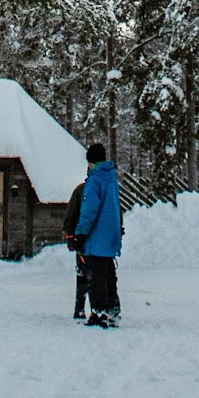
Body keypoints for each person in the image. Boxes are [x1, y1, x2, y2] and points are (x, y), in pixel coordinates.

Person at [73, 140, 122, 328]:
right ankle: (112, 309)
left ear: (91, 162)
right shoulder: (111, 179)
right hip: (111, 237)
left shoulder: (94, 180)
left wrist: (81, 233)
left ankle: (98, 313)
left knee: (96, 276)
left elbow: (89, 210)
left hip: (97, 237)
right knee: (109, 274)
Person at [64, 173, 89, 321]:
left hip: (82, 238)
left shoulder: (81, 190)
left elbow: (70, 215)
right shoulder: (81, 191)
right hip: (88, 240)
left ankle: (80, 309)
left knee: (83, 274)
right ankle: (85, 308)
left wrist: (70, 236)